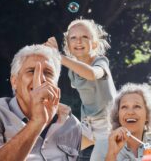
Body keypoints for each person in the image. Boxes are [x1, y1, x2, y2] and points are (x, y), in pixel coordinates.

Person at [0, 44, 82, 161]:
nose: (41, 79)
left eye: (48, 73)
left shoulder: (72, 124)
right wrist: (37, 122)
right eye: (31, 71)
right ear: (14, 82)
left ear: (56, 83)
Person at [45, 19, 116, 155]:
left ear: (94, 44)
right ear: (68, 46)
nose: (79, 41)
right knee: (57, 150)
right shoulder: (73, 70)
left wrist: (59, 57)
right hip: (89, 125)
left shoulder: (100, 62)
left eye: (85, 37)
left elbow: (91, 74)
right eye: (73, 38)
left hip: (108, 124)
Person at [91, 83, 151, 161]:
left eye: (137, 106)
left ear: (147, 115)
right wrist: (112, 154)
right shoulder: (102, 145)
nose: (130, 112)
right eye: (124, 107)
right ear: (117, 114)